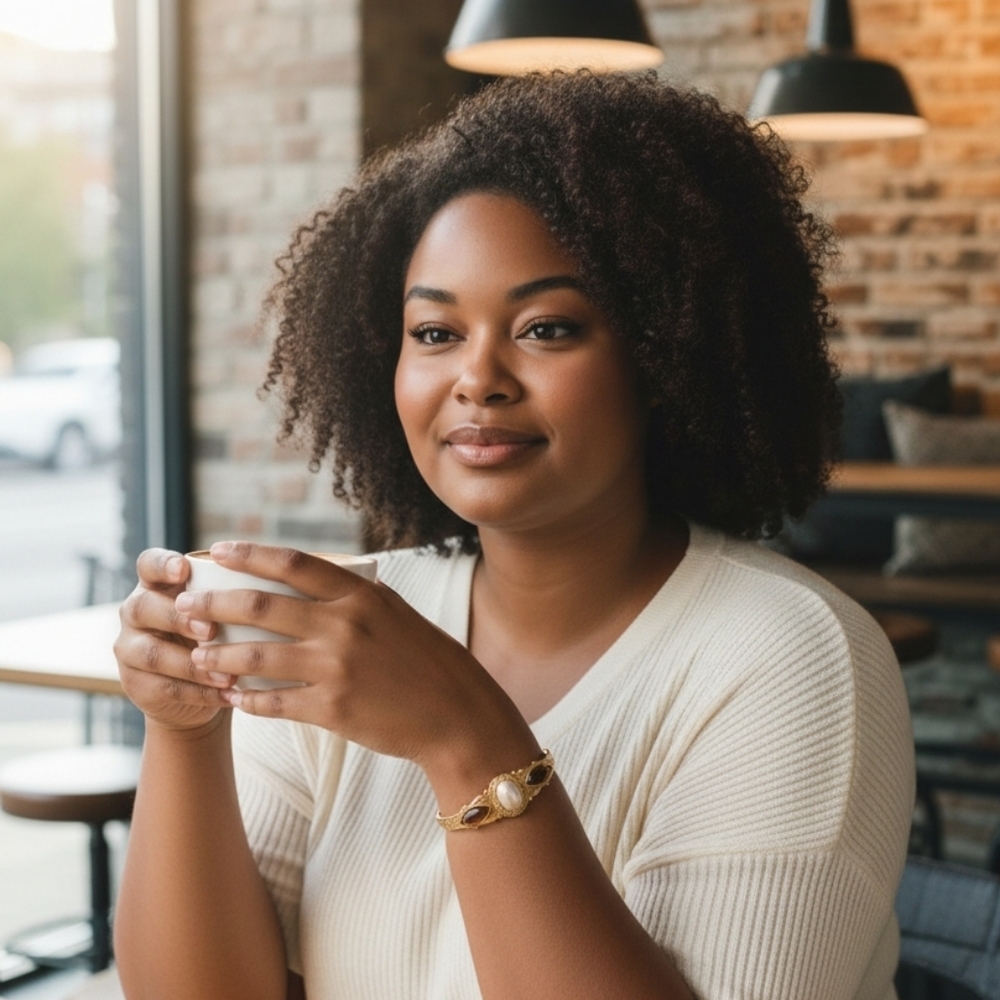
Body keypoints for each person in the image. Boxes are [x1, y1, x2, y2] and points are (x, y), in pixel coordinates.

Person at [112, 71, 914, 1000]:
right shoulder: (340, 627)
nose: (478, 377)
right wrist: (183, 734)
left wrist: (470, 741)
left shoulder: (790, 659)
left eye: (546, 327)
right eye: (435, 331)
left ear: (661, 360)